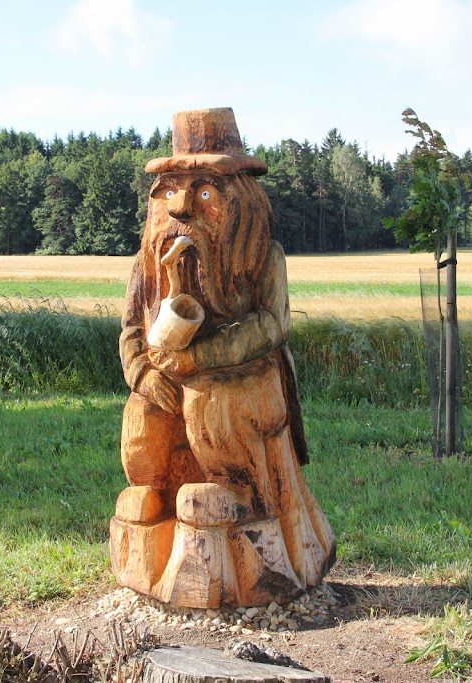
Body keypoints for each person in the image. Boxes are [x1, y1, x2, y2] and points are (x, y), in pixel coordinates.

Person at [115, 108, 335, 601]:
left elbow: (272, 324)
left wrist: (204, 358)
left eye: (205, 193)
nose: (181, 207)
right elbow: (131, 327)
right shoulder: (147, 263)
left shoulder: (262, 255)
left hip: (242, 381)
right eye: (169, 191)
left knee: (210, 402)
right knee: (144, 415)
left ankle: (238, 494)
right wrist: (141, 372)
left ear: (241, 199)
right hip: (166, 373)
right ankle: (152, 491)